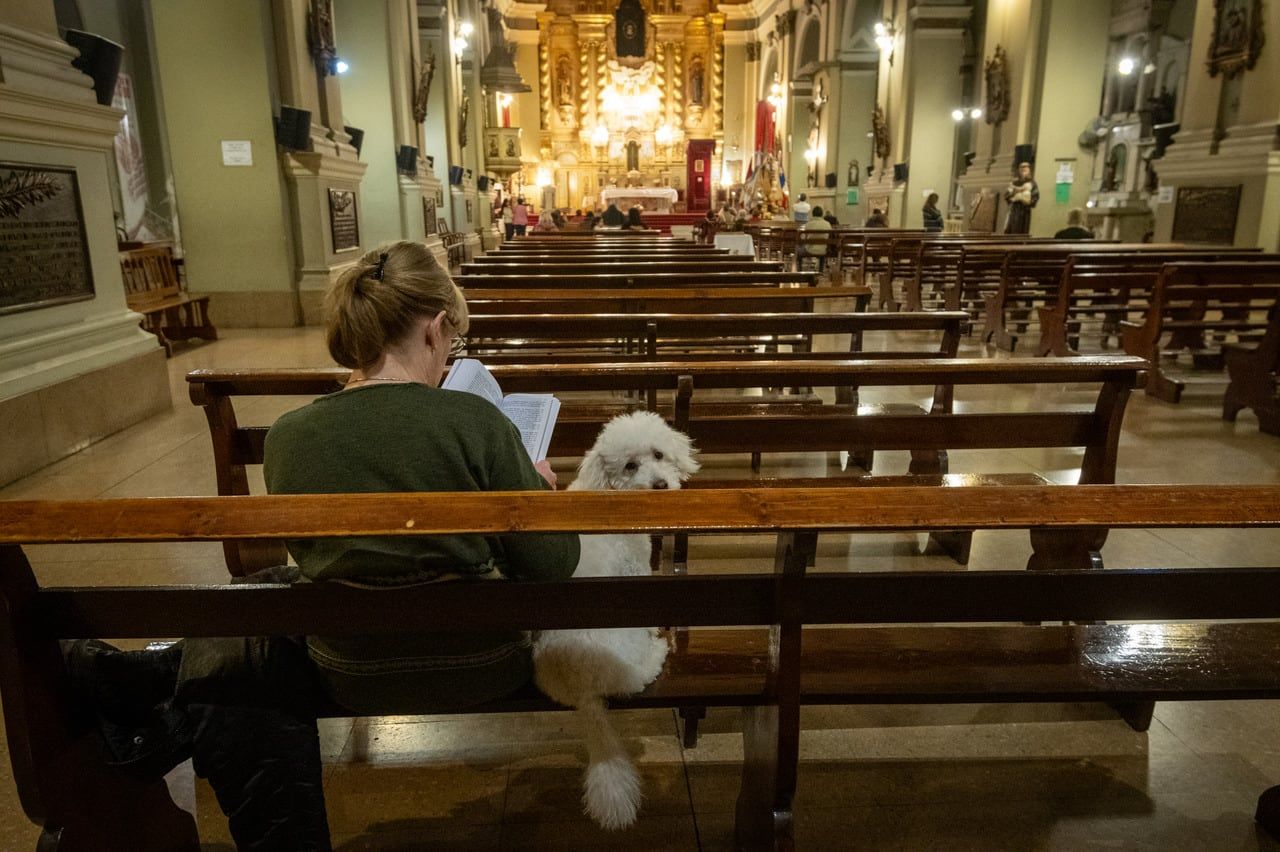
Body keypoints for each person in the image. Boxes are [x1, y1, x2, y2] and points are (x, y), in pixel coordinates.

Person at [65, 242, 581, 849]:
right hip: (482, 665)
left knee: (250, 609)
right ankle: (145, 684)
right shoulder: (480, 422)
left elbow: (312, 560)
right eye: (453, 343)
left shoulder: (291, 436)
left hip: (348, 670)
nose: (450, 359)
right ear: (436, 328)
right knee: (248, 614)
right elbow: (552, 565)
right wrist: (537, 498)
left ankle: (147, 688)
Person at [1004, 162, 1039, 234]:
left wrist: (1027, 201)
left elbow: (1035, 196)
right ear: (1019, 170)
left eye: (1026, 167)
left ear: (1029, 170)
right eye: (1021, 167)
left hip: (1025, 210)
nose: (1023, 169)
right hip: (1014, 209)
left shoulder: (1032, 183)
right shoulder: (1014, 182)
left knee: (1023, 229)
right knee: (1012, 228)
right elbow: (1007, 195)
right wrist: (1013, 193)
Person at [798, 205, 832, 271]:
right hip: (823, 250)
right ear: (822, 214)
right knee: (822, 247)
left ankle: (800, 270)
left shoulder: (808, 224)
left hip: (810, 250)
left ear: (813, 214)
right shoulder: (827, 224)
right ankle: (821, 270)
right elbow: (829, 236)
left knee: (798, 250)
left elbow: (803, 238)